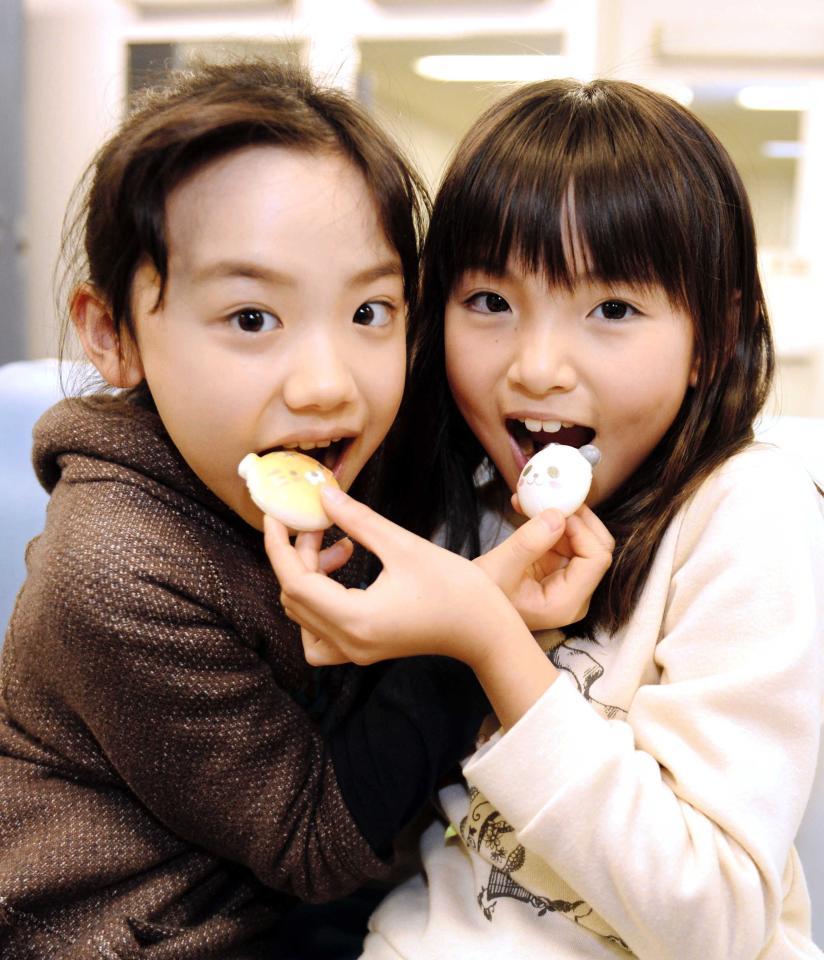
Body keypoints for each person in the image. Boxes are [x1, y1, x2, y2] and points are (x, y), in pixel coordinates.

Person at [266, 78, 824, 958]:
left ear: (711, 340)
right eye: (489, 302)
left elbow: (711, 923)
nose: (536, 369)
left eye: (612, 309)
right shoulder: (456, 500)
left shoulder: (748, 512)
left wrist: (487, 636)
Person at [0, 59, 498, 959]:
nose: (326, 384)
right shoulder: (114, 571)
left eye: (372, 310)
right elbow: (317, 843)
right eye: (251, 319)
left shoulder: (349, 461)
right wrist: (470, 635)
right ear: (113, 334)